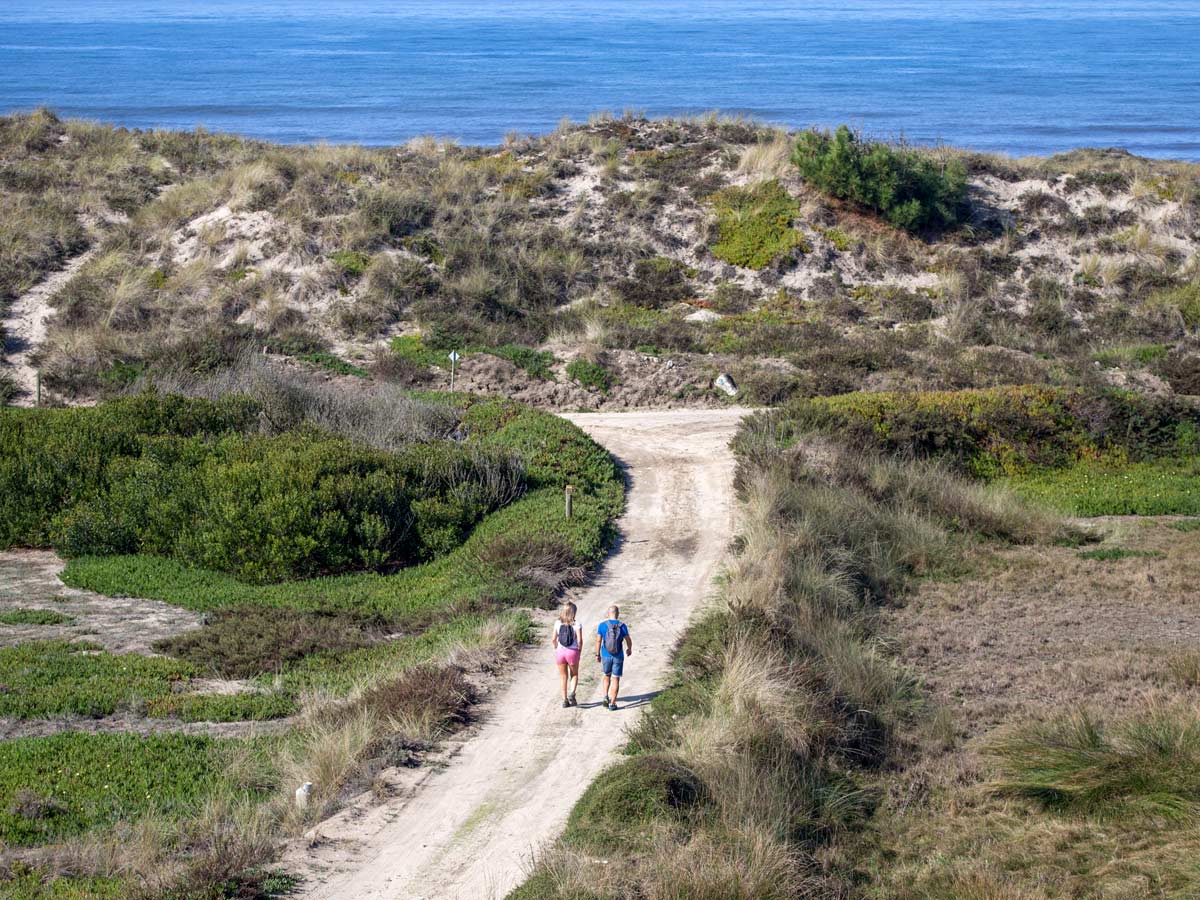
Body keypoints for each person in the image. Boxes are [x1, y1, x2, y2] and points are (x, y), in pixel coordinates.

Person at [595, 604, 632, 710]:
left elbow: (598, 641)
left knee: (607, 675)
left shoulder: (602, 625)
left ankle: (605, 696)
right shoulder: (622, 625)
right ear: (618, 614)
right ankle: (612, 703)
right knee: (615, 679)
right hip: (618, 656)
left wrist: (597, 654)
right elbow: (628, 639)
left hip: (606, 655)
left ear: (608, 613)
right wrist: (629, 649)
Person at [552, 601, 583, 708]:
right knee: (574, 674)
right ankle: (572, 693)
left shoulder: (557, 623)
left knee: (562, 676)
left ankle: (564, 700)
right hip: (572, 652)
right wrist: (579, 651)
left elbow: (553, 639)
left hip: (560, 652)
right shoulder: (577, 624)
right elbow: (579, 641)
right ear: (573, 612)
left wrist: (556, 648)